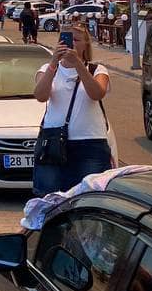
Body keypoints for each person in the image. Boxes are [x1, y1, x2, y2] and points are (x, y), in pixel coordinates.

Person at [33, 23, 112, 194]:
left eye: (76, 40)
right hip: (53, 142)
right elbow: (40, 96)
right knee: (50, 197)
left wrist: (79, 65)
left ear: (85, 44)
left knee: (90, 196)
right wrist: (53, 63)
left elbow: (97, 93)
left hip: (90, 143)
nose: (71, 44)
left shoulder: (97, 70)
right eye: (66, 39)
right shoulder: (47, 69)